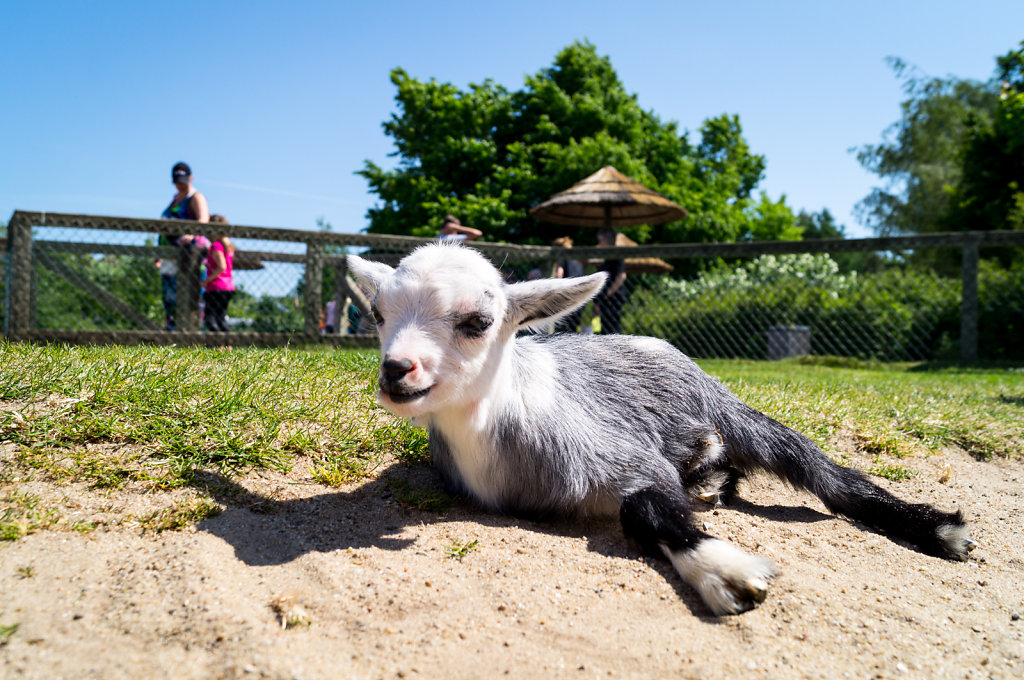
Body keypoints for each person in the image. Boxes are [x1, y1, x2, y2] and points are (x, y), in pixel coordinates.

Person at [158, 162, 209, 330]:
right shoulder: (174, 200)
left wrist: (191, 234)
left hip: (189, 256)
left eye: (184, 179)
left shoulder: (195, 197)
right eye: (177, 180)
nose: (181, 183)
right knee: (170, 297)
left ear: (191, 178)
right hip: (169, 256)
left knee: (190, 298)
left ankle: (192, 336)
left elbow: (204, 220)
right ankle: (173, 336)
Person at [204, 214, 235, 333]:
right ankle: (228, 344)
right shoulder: (229, 247)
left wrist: (206, 281)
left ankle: (218, 343)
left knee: (210, 318)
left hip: (215, 286)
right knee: (220, 317)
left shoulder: (216, 246)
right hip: (228, 286)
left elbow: (222, 266)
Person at [595, 228, 628, 335]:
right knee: (605, 328)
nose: (599, 244)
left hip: (613, 298)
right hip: (606, 299)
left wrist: (608, 293)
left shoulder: (617, 255)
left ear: (607, 241)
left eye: (601, 241)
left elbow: (621, 276)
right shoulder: (607, 257)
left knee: (612, 329)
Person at [552, 236, 586, 333]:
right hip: (578, 299)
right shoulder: (578, 263)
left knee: (560, 331)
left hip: (565, 299)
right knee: (572, 330)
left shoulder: (562, 259)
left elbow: (559, 275)